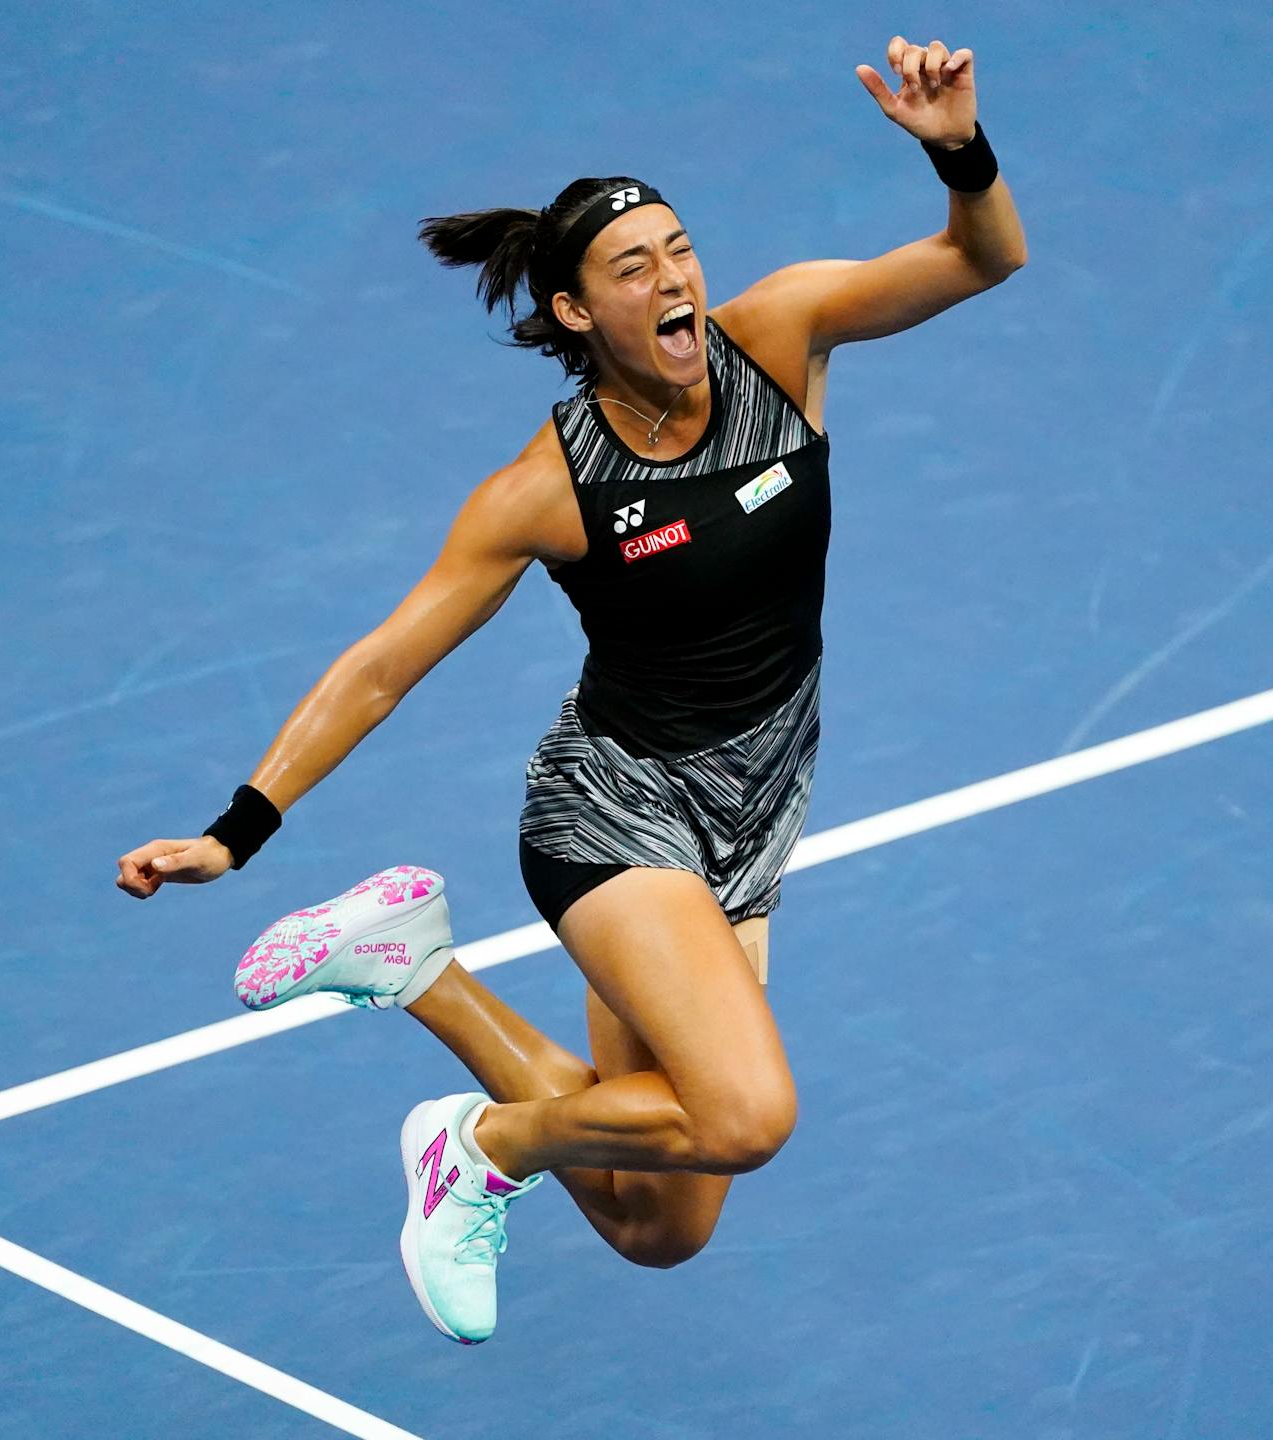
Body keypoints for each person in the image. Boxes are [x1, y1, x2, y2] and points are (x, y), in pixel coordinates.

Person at [116, 35, 1026, 1344]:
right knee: (745, 1116)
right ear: (577, 314)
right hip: (612, 815)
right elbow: (384, 664)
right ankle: (482, 1146)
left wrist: (959, 150)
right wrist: (234, 830)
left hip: (751, 819)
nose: (674, 279)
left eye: (679, 249)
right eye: (632, 267)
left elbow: (982, 258)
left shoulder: (780, 337)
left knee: (660, 1224)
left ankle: (413, 966)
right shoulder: (547, 490)